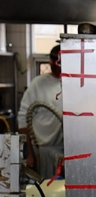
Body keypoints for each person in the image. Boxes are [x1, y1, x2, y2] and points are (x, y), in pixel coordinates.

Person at [18, 44, 63, 179]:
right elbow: (22, 120)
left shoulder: (73, 83)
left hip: (63, 150)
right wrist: (30, 154)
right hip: (40, 151)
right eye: (55, 61)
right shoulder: (38, 84)